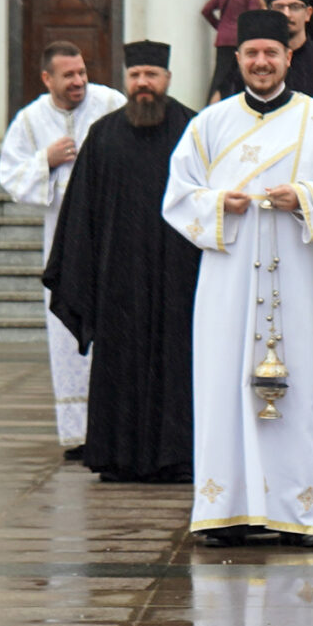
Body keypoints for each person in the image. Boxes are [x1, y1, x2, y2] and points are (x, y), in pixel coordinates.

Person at [164, 10, 313, 548]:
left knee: (300, 391)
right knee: (224, 388)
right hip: (228, 280)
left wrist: (305, 197)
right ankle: (227, 511)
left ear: (288, 57)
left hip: (299, 279)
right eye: (252, 53)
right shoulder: (208, 125)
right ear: (237, 59)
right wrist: (217, 204)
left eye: (270, 53)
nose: (261, 62)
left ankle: (295, 513)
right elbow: (177, 197)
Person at [43, 42, 200, 483]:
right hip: (118, 280)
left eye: (152, 75)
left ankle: (179, 457)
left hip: (179, 279)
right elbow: (81, 214)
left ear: (167, 79)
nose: (143, 83)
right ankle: (116, 456)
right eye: (135, 76)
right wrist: (82, 274)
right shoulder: (104, 135)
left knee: (178, 364)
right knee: (119, 365)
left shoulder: (194, 131)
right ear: (126, 79)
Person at [0, 44, 126, 453]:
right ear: (46, 79)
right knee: (66, 329)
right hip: (64, 238)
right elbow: (10, 174)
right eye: (68, 75)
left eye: (82, 72)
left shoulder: (110, 104)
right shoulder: (31, 119)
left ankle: (116, 427)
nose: (78, 81)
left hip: (112, 233)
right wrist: (46, 161)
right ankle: (77, 433)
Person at [203, 0, 267, 103]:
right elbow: (253, 17)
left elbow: (206, 10)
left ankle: (209, 107)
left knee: (220, 77)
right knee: (243, 75)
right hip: (241, 40)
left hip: (223, 40)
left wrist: (220, 27)